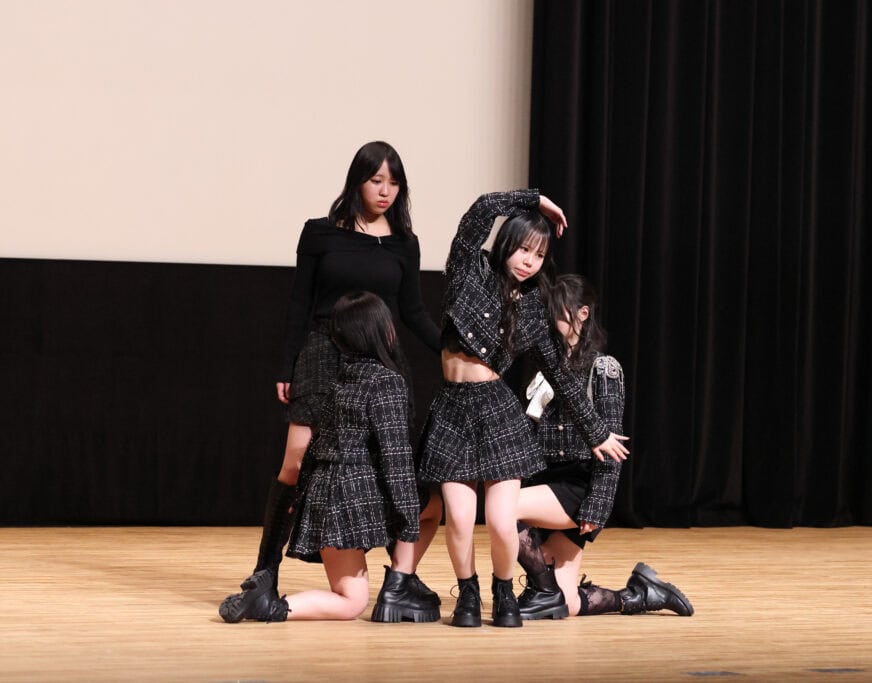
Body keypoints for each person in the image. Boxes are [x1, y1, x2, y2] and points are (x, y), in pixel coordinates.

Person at [219, 141, 442, 620]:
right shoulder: (320, 232)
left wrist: (453, 349)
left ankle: (397, 575)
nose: (385, 190)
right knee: (296, 463)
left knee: (381, 462)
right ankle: (265, 571)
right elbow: (299, 303)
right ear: (357, 181)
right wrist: (287, 366)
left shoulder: (404, 242)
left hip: (377, 359)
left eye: (393, 182)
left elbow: (413, 311)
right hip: (321, 353)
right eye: (376, 180)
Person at [417, 190, 630, 628]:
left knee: (500, 519)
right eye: (523, 250)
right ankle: (468, 593)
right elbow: (478, 213)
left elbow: (561, 377)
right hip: (454, 410)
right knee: (460, 518)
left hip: (497, 411)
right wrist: (535, 201)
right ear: (506, 244)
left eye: (539, 255)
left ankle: (503, 590)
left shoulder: (532, 306)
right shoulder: (470, 271)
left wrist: (597, 432)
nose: (529, 262)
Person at [220, 292, 436, 622]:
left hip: (325, 500)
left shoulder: (339, 381)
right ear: (383, 332)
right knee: (433, 508)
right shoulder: (388, 382)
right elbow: (396, 461)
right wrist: (406, 521)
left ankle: (270, 606)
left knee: (350, 600)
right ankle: (398, 585)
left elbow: (316, 449)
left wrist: (304, 504)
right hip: (356, 500)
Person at [514, 274, 694, 619]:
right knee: (566, 604)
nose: (553, 319)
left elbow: (613, 446)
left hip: (576, 487)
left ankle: (542, 589)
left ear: (582, 313)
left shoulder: (603, 368)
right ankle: (639, 595)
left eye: (560, 311)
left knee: (504, 508)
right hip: (544, 484)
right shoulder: (545, 368)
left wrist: (598, 506)